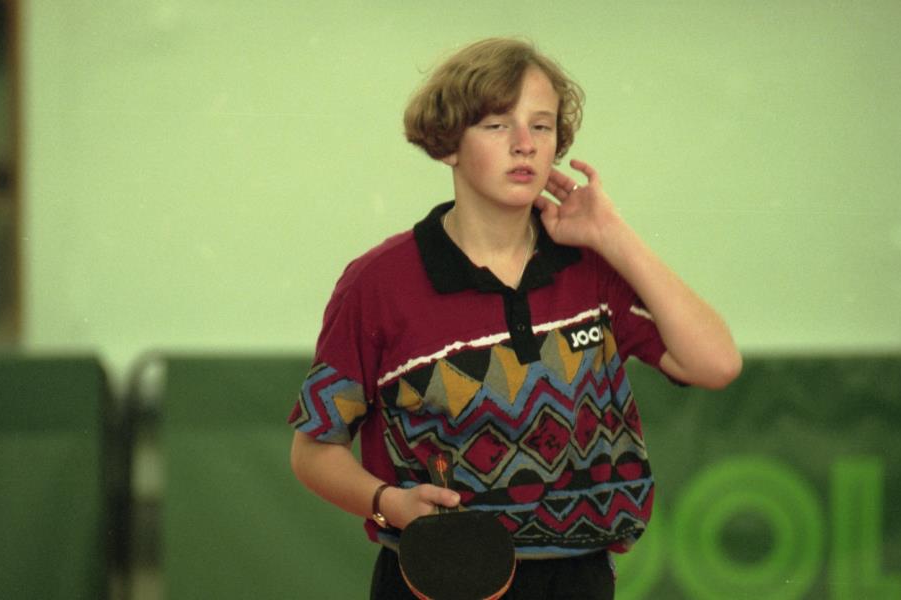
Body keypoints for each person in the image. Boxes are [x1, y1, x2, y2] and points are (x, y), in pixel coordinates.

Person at [288, 38, 741, 599]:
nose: (525, 144)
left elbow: (716, 363)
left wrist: (614, 235)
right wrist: (390, 504)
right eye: (497, 125)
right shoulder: (379, 284)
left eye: (542, 126)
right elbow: (313, 450)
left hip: (580, 578)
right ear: (448, 145)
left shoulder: (593, 268)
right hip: (440, 578)